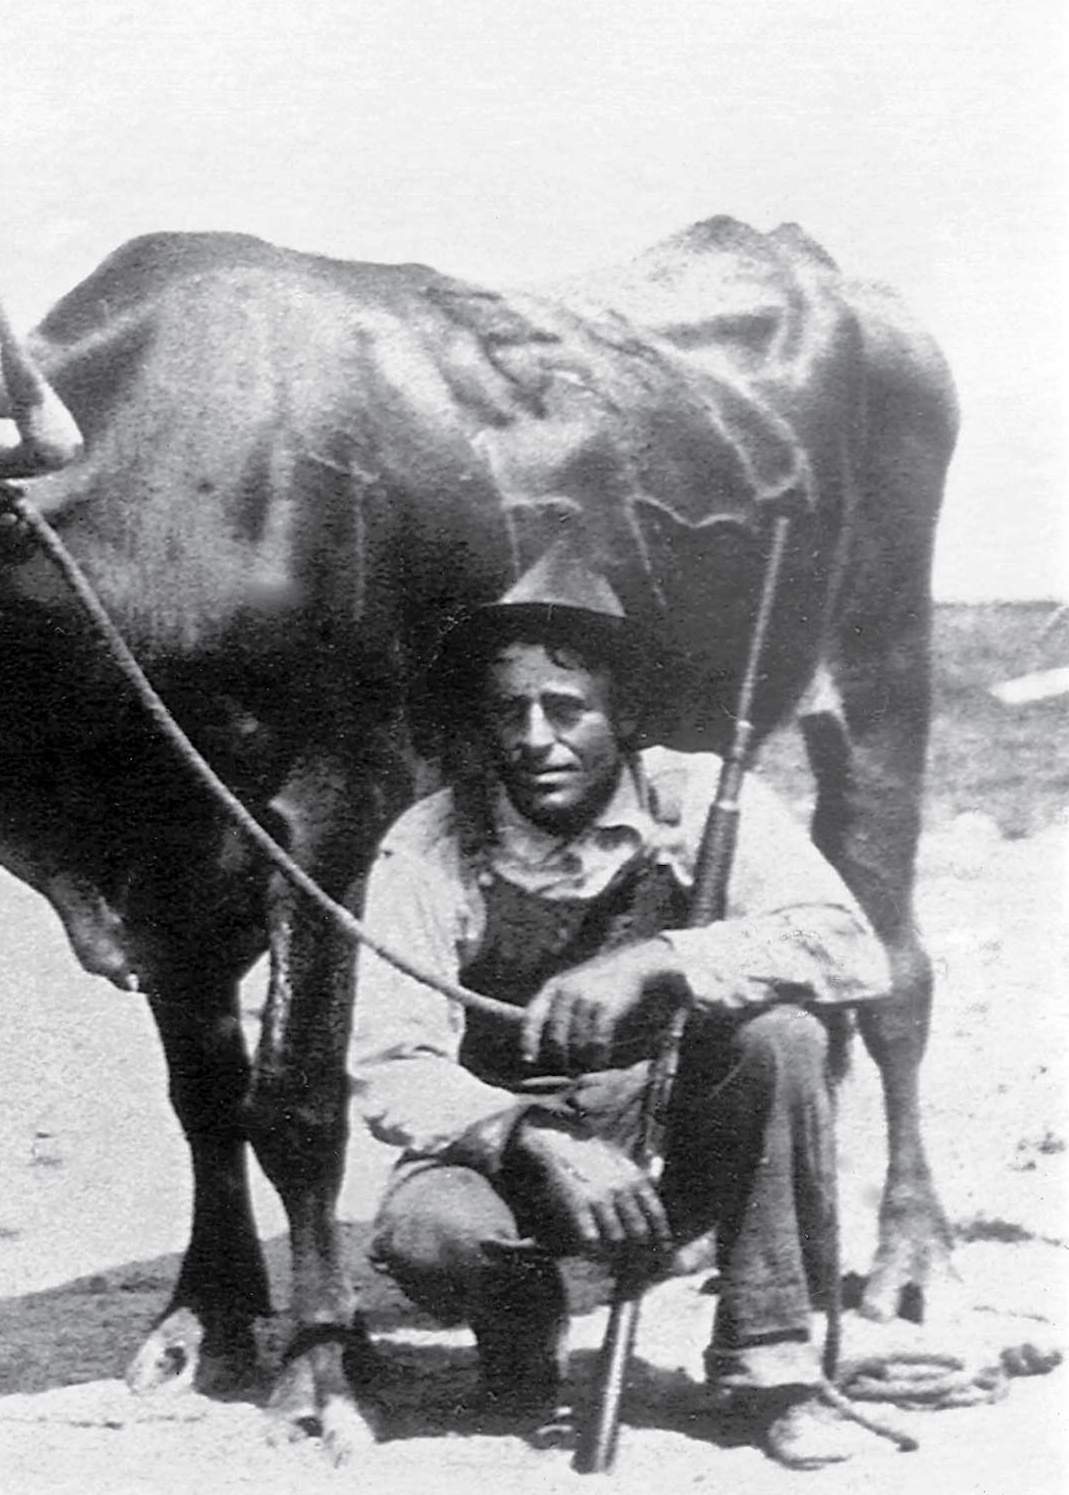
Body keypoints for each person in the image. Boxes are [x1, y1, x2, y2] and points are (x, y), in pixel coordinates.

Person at [350, 539, 892, 1469]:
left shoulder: (706, 802)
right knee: (431, 1235)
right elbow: (390, 1062)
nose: (533, 739)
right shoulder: (433, 840)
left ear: (626, 714)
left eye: (566, 710)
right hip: (522, 1151)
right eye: (508, 712)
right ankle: (521, 1344)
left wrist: (663, 959)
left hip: (679, 1137)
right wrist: (536, 1137)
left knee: (784, 1035)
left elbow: (849, 947)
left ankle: (772, 1364)